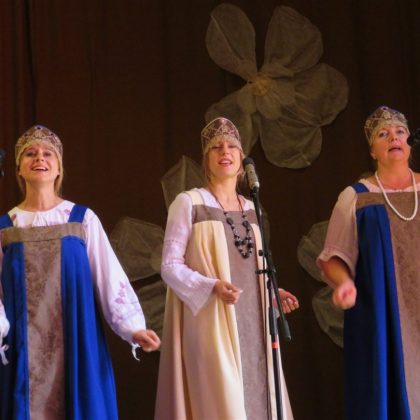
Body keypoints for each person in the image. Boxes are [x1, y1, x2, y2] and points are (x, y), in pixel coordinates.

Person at [0, 125, 161, 419]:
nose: (40, 158)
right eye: (30, 154)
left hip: (76, 339)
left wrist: (133, 327)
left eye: (48, 154)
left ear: (59, 168)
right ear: (19, 169)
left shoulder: (82, 219)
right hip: (23, 347)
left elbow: (109, 276)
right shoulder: (6, 228)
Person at [154, 117, 299, 420]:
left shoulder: (251, 208)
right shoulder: (189, 202)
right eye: (216, 147)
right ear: (206, 159)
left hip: (255, 325)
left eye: (232, 146)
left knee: (262, 397)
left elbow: (253, 264)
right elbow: (169, 265)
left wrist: (273, 294)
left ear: (241, 158)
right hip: (212, 322)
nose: (225, 151)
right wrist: (212, 286)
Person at [317, 106, 420, 420]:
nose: (393, 138)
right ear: (372, 150)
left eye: (400, 132)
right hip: (384, 315)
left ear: (410, 143)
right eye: (382, 134)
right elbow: (334, 256)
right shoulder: (356, 197)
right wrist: (344, 282)